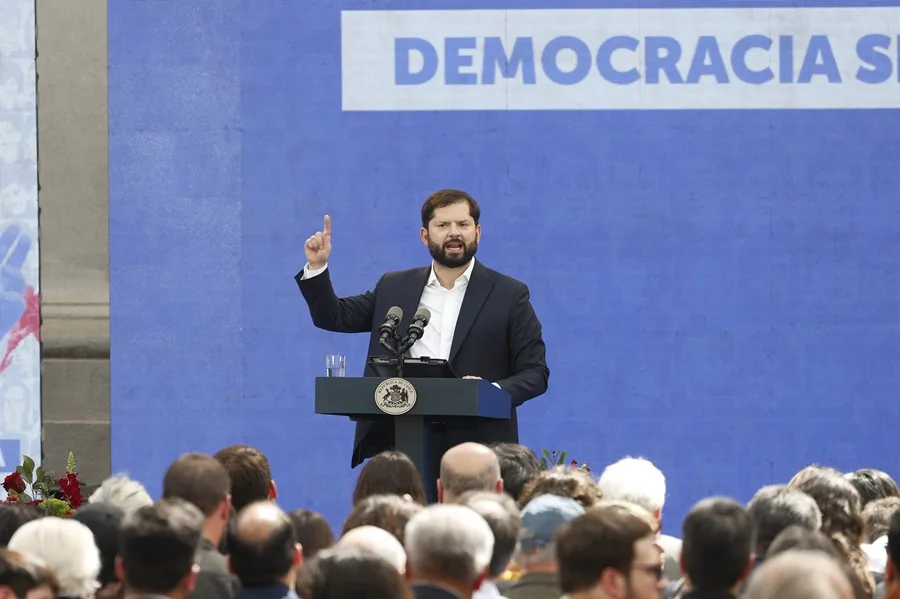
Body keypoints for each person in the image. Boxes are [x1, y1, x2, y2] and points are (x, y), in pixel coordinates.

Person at [296, 189, 549, 469]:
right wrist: (317, 267)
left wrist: (490, 391)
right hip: (402, 440)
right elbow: (334, 316)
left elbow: (536, 372)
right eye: (442, 225)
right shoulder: (395, 286)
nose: (454, 232)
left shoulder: (509, 294)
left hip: (480, 446)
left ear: (477, 232)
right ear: (425, 236)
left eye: (463, 225)